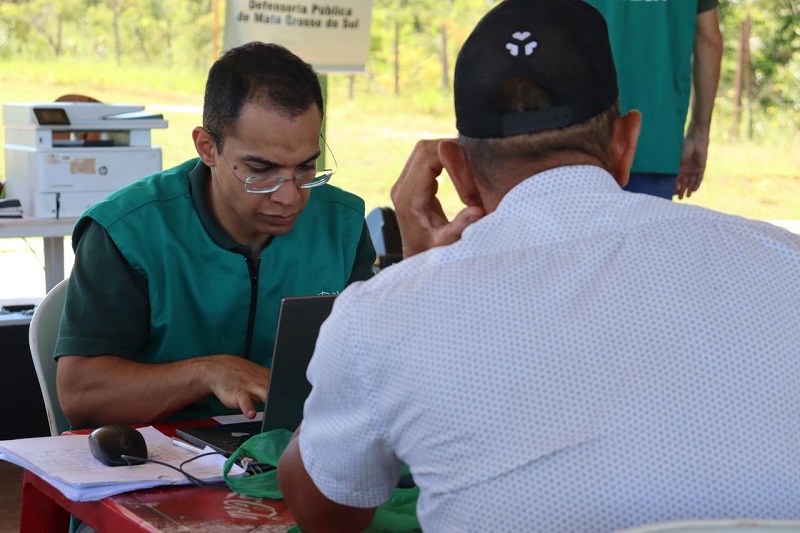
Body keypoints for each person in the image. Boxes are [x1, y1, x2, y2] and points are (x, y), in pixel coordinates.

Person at [277, 1, 800, 530]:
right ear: (626, 143)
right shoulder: (787, 263)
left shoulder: (383, 317)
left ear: (457, 172)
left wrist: (415, 275)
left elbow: (326, 514)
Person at [54, 42, 376, 429]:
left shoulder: (343, 225)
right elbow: (80, 397)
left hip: (301, 450)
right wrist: (208, 372)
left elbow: (377, 368)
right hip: (155, 460)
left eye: (306, 168)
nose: (290, 197)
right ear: (207, 147)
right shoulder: (127, 232)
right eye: (261, 170)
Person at [585, 0, 723, 200]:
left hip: (575, 135)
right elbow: (710, 41)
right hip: (656, 139)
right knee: (647, 230)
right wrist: (699, 133)